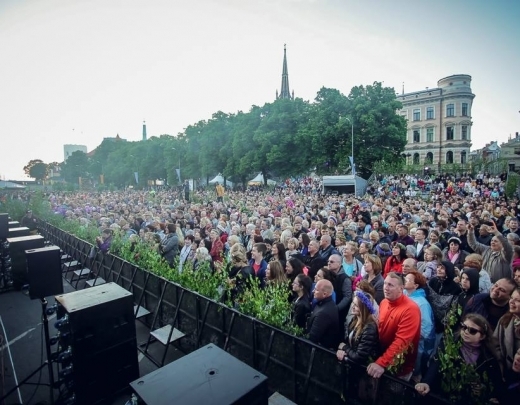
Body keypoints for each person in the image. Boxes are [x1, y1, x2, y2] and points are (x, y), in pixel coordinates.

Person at [415, 314, 503, 404]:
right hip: (442, 396)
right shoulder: (448, 343)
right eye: (464, 327)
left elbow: (495, 383)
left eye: (472, 331)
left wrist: (483, 389)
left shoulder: (489, 357)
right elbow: (435, 364)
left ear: (483, 336)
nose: (466, 332)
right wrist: (426, 382)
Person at [367, 272, 421, 380]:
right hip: (380, 359)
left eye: (390, 285)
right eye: (385, 284)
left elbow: (402, 342)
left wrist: (382, 362)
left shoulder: (411, 309)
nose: (385, 288)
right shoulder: (384, 302)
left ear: (401, 288)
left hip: (398, 369)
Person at [403, 270, 435, 382]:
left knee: (413, 375)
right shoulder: (404, 295)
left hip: (416, 346)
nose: (404, 280)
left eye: (408, 279)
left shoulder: (422, 303)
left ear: (415, 285)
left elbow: (426, 330)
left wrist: (408, 333)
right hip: (403, 343)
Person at [336, 290, 379, 365]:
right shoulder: (355, 319)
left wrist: (344, 348)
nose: (352, 306)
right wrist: (342, 351)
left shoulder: (369, 328)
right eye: (353, 303)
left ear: (363, 308)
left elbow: (359, 357)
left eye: (356, 305)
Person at [307, 279, 340, 349]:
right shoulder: (326, 304)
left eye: (316, 290)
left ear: (324, 294)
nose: (313, 291)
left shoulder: (323, 313)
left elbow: (312, 338)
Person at [327, 253, 353, 326]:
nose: (329, 263)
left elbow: (347, 297)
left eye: (332, 262)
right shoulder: (327, 274)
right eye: (328, 261)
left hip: (339, 312)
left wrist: (337, 308)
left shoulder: (345, 279)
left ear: (339, 264)